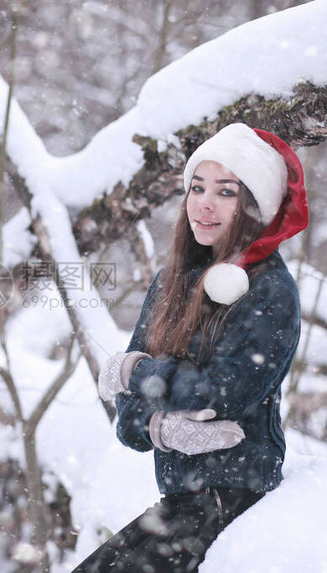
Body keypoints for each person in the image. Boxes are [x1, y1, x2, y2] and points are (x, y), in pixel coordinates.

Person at [73, 123, 309, 572]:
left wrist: (137, 373)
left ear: (255, 207)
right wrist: (161, 428)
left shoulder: (271, 290)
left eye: (226, 192)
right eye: (197, 187)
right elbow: (126, 419)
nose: (204, 202)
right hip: (181, 501)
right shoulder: (171, 282)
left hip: (235, 497)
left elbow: (220, 395)